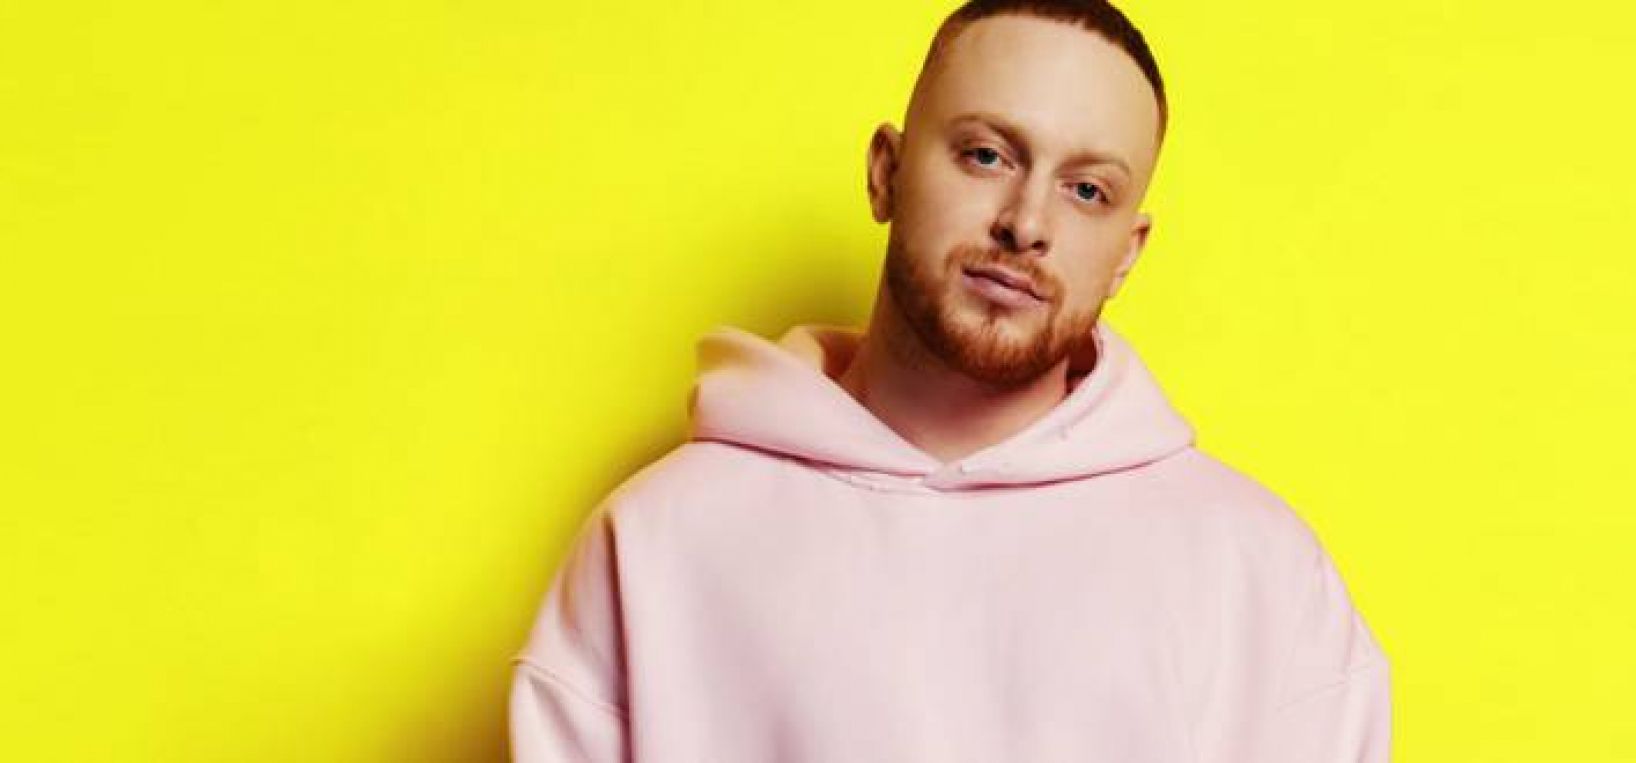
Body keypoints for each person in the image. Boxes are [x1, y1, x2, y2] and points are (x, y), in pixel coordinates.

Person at [508, 1, 1392, 760]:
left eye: (1087, 190)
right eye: (986, 155)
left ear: (1128, 252)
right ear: (886, 173)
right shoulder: (657, 543)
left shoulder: (1258, 573)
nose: (1027, 222)